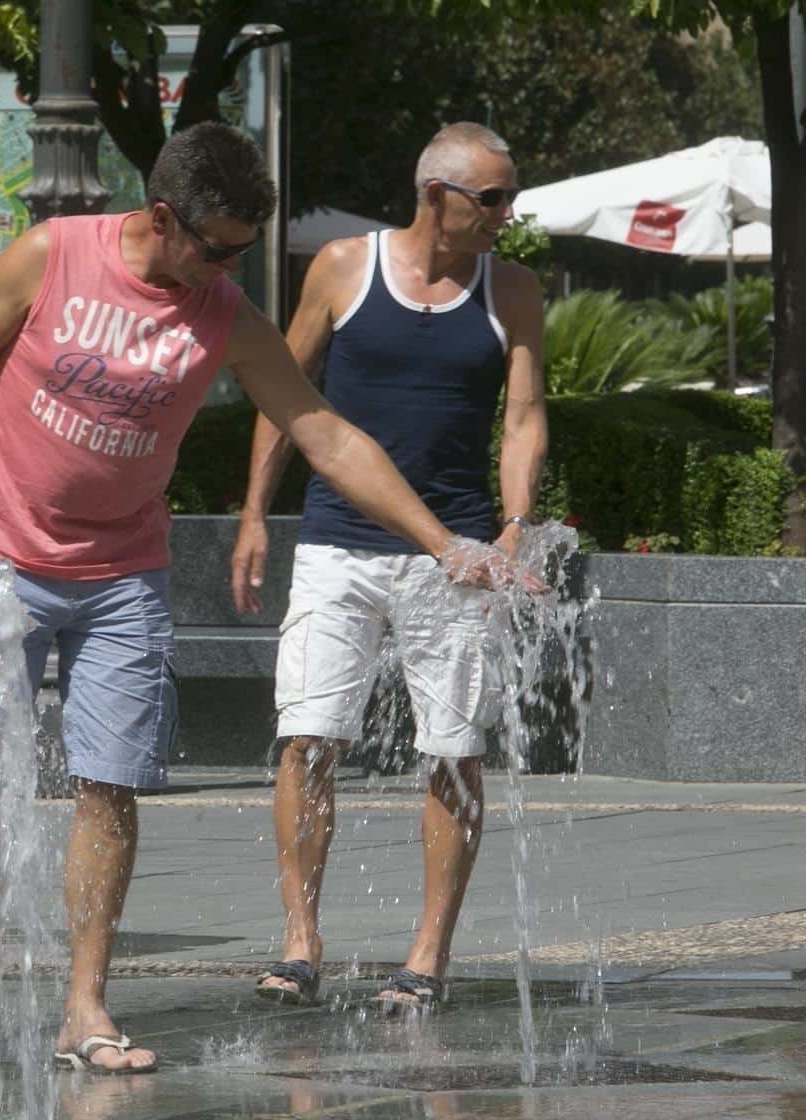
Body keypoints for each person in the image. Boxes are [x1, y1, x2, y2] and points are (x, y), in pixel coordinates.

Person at [0, 121, 520, 1078]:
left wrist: (444, 543)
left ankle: (85, 1007)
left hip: (126, 571)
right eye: (213, 248)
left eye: (241, 253)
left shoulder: (225, 311)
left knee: (110, 784)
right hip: (0, 557)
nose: (224, 270)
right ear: (161, 217)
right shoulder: (53, 255)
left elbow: (326, 433)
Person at [230, 122, 547, 1012]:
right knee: (308, 738)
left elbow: (523, 417)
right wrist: (255, 514)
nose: (505, 214)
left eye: (509, 196)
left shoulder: (513, 288)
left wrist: (515, 526)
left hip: (459, 556)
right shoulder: (339, 267)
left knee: (453, 751)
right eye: (492, 199)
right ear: (436, 195)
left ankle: (428, 955)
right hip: (337, 542)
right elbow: (283, 397)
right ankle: (300, 942)